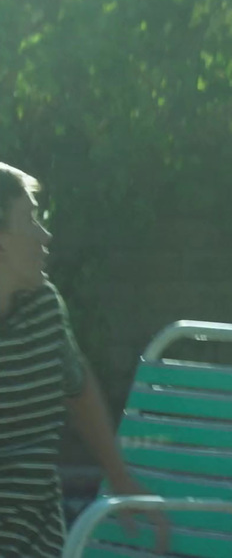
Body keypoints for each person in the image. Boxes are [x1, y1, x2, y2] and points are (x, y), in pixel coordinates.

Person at [0, 162, 168, 556]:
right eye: (30, 220)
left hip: (31, 537)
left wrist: (119, 476)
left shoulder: (42, 310)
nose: (45, 235)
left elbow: (78, 388)